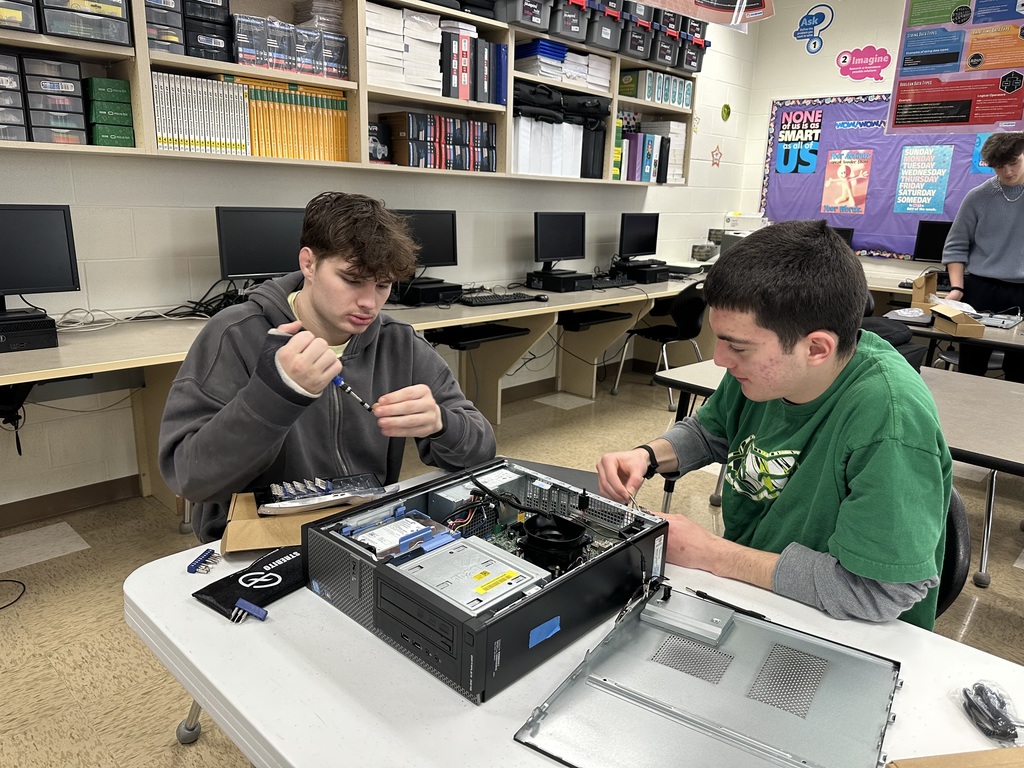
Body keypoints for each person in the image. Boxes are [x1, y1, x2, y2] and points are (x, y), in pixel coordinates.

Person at [597, 220, 952, 630]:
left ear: (816, 348)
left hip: (846, 628)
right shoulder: (767, 370)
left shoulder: (890, 422)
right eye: (720, 339)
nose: (720, 360)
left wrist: (712, 553)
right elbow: (711, 431)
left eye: (738, 347)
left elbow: (875, 593)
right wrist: (647, 456)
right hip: (756, 594)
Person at [159, 192, 497, 542]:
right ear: (309, 263)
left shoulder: (398, 342)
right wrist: (274, 395)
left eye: (382, 285)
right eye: (351, 279)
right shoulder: (235, 334)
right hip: (257, 539)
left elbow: (481, 450)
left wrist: (443, 424)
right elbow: (189, 478)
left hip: (361, 533)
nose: (369, 303)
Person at [942, 131, 1024, 381]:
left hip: (1022, 291)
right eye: (999, 166)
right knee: (971, 365)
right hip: (981, 289)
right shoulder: (978, 197)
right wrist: (957, 287)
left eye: (1014, 163)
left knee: (1019, 370)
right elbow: (956, 246)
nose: (1008, 171)